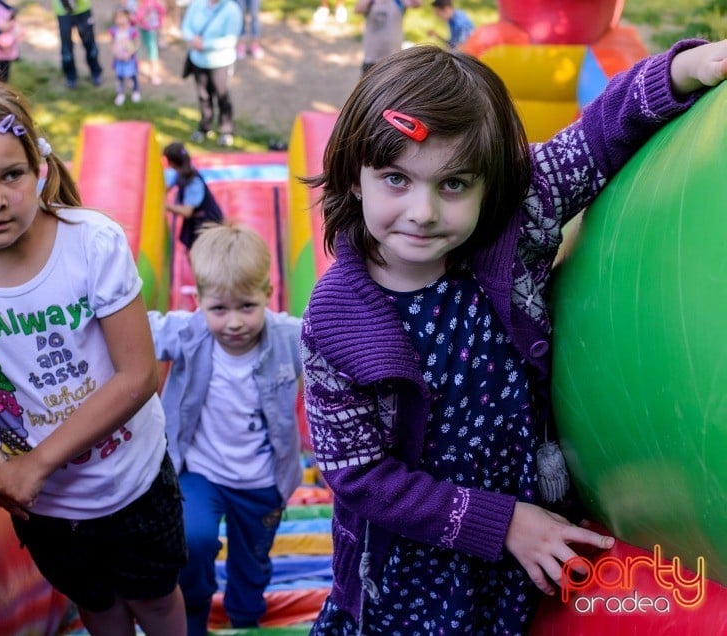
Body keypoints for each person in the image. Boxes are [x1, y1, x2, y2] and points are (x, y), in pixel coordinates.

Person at [299, 40, 727, 633]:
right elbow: (359, 475)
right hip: (413, 569)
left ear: (489, 184)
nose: (422, 211)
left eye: (453, 185)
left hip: (526, 537)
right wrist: (501, 522)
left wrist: (682, 71)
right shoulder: (339, 320)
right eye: (396, 179)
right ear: (353, 178)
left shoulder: (511, 223)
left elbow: (595, 138)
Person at [0, 80, 187, 635]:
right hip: (46, 509)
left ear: (40, 167)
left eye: (11, 174)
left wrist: (35, 464)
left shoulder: (91, 244)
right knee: (97, 605)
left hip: (130, 480)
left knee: (154, 601)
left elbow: (136, 377)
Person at [148, 224, 303, 635]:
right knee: (192, 540)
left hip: (264, 481)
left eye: (247, 307)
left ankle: (245, 615)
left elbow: (338, 342)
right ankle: (195, 611)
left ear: (268, 294)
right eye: (219, 309)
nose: (234, 322)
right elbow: (132, 329)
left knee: (253, 558)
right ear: (197, 301)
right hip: (201, 474)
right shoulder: (188, 334)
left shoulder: (289, 338)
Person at [180, 0, 243, 147]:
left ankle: (226, 130)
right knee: (203, 96)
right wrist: (192, 39)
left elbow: (230, 39)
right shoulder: (197, 4)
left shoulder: (232, 10)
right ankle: (205, 126)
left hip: (220, 62)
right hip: (198, 60)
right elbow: (186, 26)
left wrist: (205, 45)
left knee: (223, 96)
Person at [163, 141, 224, 254]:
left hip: (206, 220)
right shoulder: (181, 171)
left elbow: (187, 212)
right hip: (196, 219)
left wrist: (165, 206)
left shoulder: (193, 182)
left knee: (201, 254)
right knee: (191, 251)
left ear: (171, 162)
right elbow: (166, 185)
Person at [353, 0, 414, 75]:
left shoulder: (398, 2)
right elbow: (358, 9)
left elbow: (416, 4)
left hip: (393, 57)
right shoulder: (371, 2)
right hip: (371, 57)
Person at [53, 0, 104, 89]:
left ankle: (95, 72)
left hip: (83, 9)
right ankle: (70, 77)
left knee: (89, 43)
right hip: (63, 11)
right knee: (66, 47)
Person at [110, 6, 142, 105]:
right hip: (119, 59)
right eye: (118, 17)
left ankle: (135, 91)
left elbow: (136, 43)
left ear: (128, 17)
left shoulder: (132, 31)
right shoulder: (114, 31)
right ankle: (120, 93)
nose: (120, 20)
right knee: (119, 78)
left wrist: (130, 53)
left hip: (130, 59)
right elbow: (111, 43)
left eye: (123, 17)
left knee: (133, 76)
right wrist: (116, 53)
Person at [134, 0, 167, 84]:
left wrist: (160, 22)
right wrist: (145, 13)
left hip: (151, 31)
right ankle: (135, 73)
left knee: (152, 52)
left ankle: (154, 74)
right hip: (141, 30)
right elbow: (137, 18)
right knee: (138, 51)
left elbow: (162, 11)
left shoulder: (154, 3)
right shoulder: (140, 3)